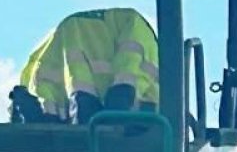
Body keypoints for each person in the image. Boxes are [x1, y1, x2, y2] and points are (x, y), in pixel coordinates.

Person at [13, 8, 160, 124]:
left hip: (74, 133)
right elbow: (131, 68)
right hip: (138, 128)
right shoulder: (134, 26)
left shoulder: (44, 54)